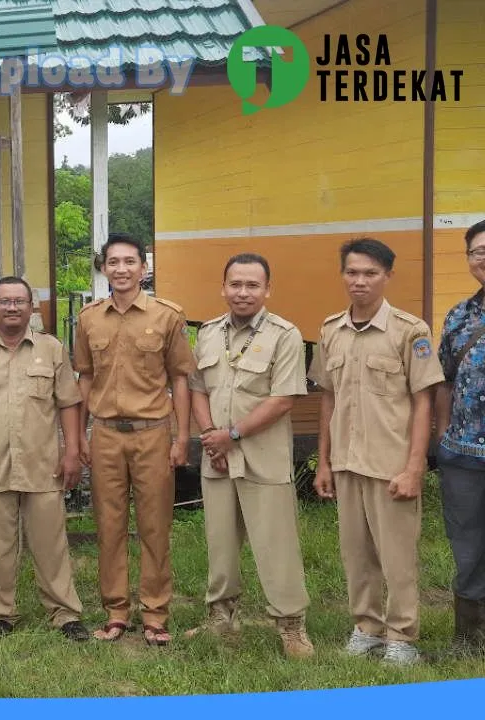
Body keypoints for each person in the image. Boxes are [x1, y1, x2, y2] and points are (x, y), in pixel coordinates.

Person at [309, 237, 444, 666]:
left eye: (370, 273)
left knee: (397, 557)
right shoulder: (330, 330)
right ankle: (366, 628)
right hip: (347, 463)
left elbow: (424, 401)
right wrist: (323, 462)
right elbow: (327, 400)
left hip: (392, 466)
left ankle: (402, 637)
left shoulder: (410, 331)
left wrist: (414, 467)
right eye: (352, 272)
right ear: (342, 275)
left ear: (387, 275)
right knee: (356, 553)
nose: (360, 281)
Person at [185, 254, 313, 658]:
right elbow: (197, 388)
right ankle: (221, 618)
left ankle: (291, 625)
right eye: (235, 284)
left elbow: (283, 398)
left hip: (263, 456)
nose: (243, 292)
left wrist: (232, 435)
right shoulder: (206, 333)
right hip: (217, 456)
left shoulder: (285, 334)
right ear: (223, 288)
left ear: (267, 290)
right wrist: (210, 436)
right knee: (219, 543)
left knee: (277, 544)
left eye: (252, 285)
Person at [0, 276, 89, 640]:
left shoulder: (52, 350)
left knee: (51, 544)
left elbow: (69, 403)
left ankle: (65, 614)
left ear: (31, 308)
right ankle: (0, 615)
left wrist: (72, 451)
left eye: (20, 301)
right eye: (4, 301)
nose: (12, 307)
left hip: (43, 465)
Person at [72, 232, 195, 647]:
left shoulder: (167, 316)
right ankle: (116, 612)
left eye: (129, 262)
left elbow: (181, 378)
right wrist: (82, 435)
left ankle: (156, 614)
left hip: (152, 435)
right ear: (103, 268)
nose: (121, 269)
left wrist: (182, 437)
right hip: (106, 434)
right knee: (108, 526)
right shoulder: (89, 318)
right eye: (113, 262)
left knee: (155, 526)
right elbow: (85, 377)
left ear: (144, 268)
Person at [433, 218, 485, 655]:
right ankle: (468, 640)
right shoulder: (460, 316)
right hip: (464, 458)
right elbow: (444, 382)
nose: (483, 258)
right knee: (467, 546)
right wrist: (443, 439)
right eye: (478, 251)